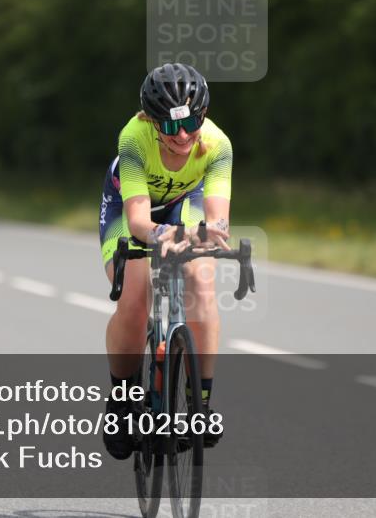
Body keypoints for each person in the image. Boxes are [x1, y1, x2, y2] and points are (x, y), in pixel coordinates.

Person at [99, 63, 233, 460]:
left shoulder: (218, 144)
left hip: (185, 203)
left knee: (202, 284)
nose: (183, 135)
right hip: (129, 209)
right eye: (171, 127)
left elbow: (217, 218)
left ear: (202, 116)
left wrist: (205, 234)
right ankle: (122, 401)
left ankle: (201, 404)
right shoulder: (133, 138)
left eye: (191, 122)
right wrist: (162, 237)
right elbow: (139, 220)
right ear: (151, 121)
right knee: (136, 299)